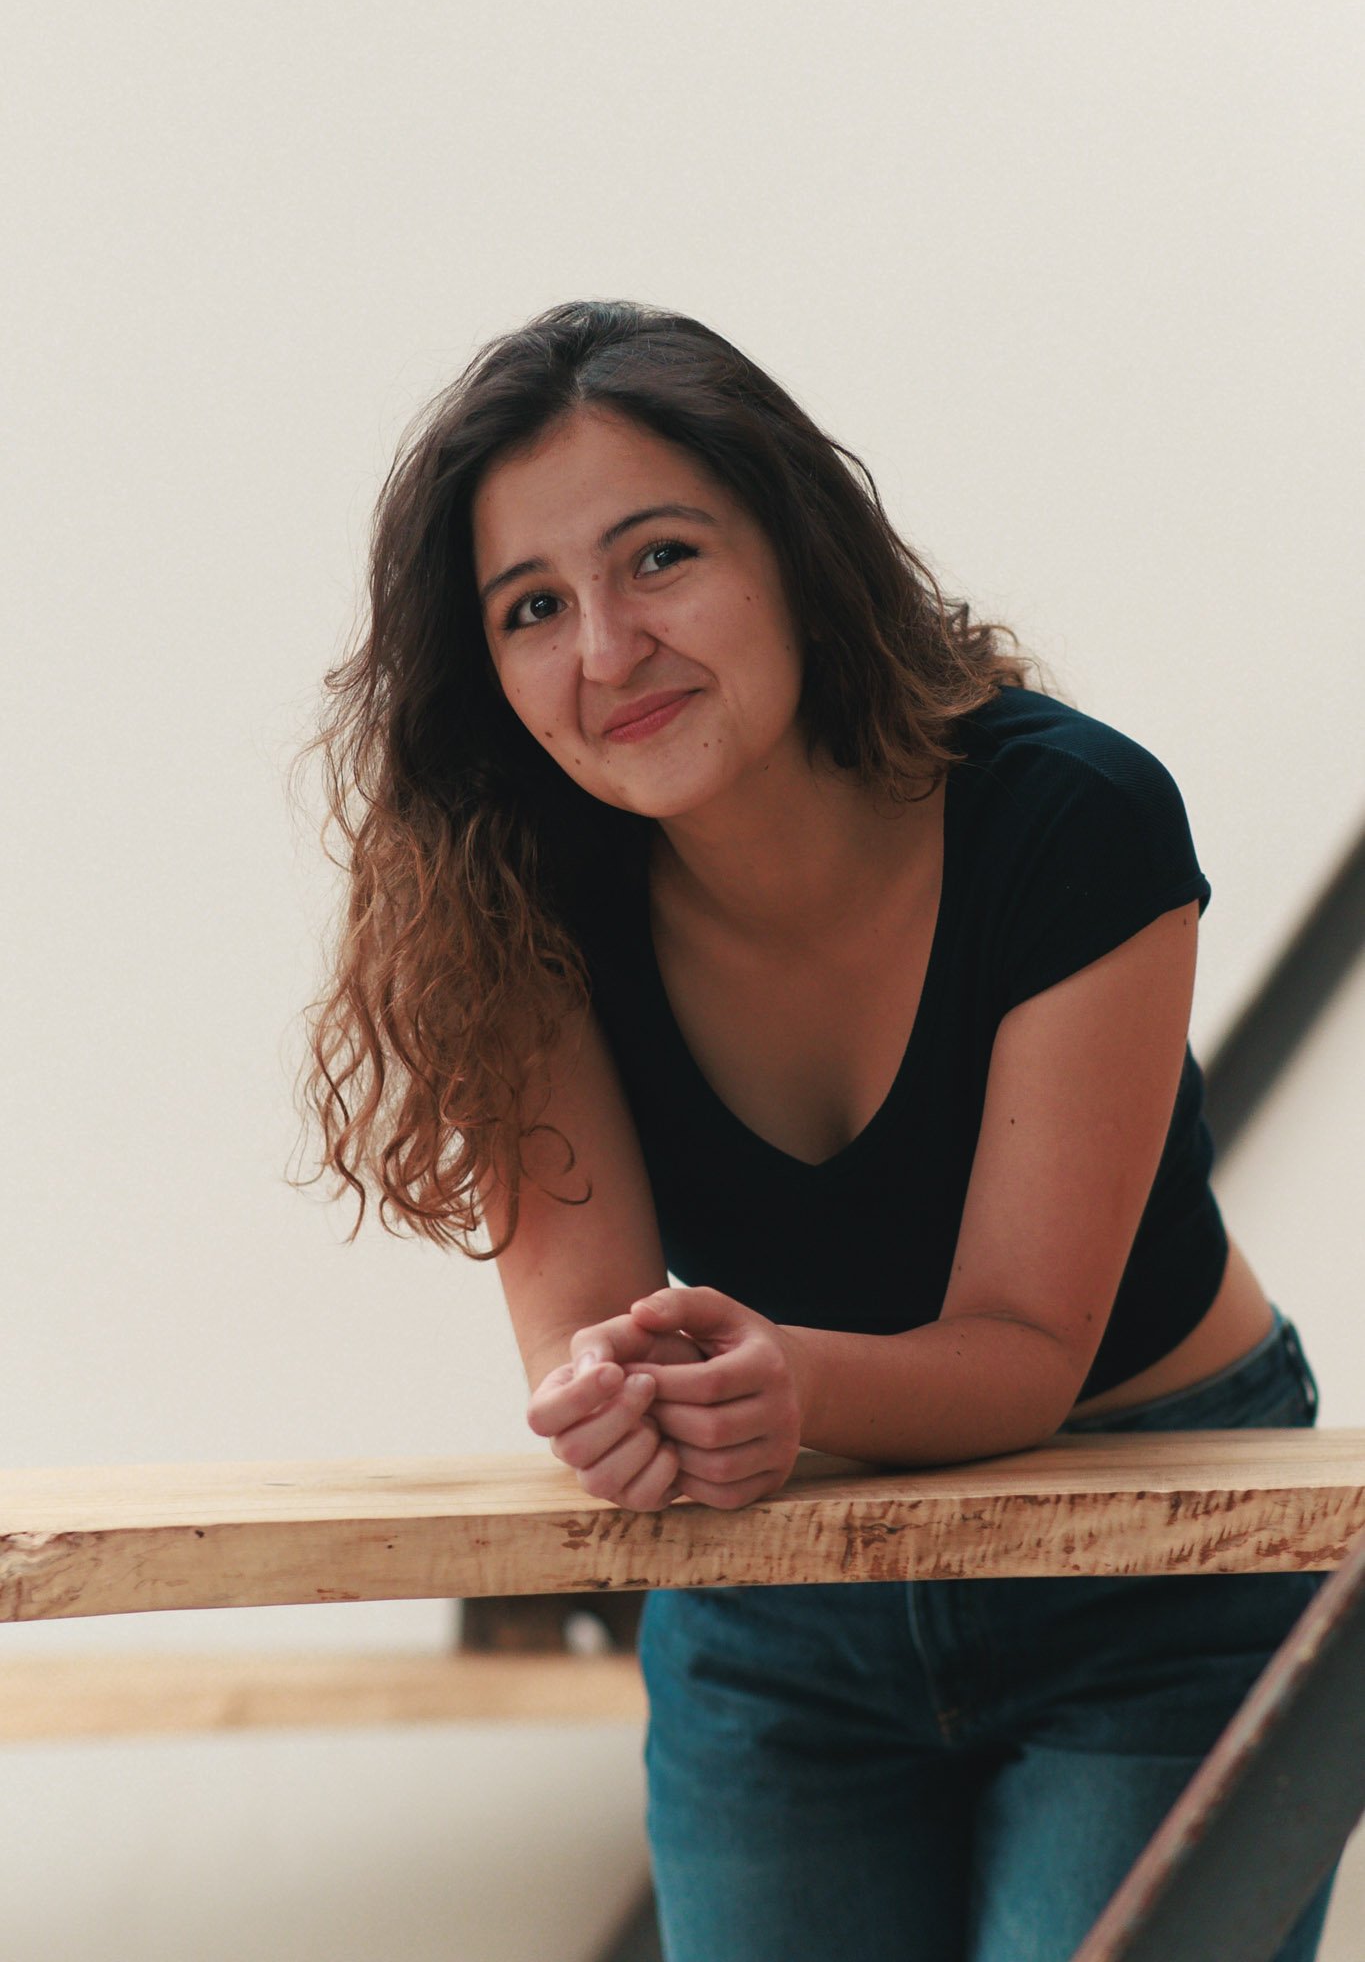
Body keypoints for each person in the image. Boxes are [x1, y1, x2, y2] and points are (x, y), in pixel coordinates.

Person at [292, 299, 1338, 1961]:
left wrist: (772, 1381)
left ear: (793, 544)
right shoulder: (511, 895)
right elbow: (589, 1335)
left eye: (658, 559)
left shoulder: (1070, 820)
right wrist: (608, 1401)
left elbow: (1019, 1351)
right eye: (531, 608)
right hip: (777, 1591)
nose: (604, 651)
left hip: (1155, 1559)